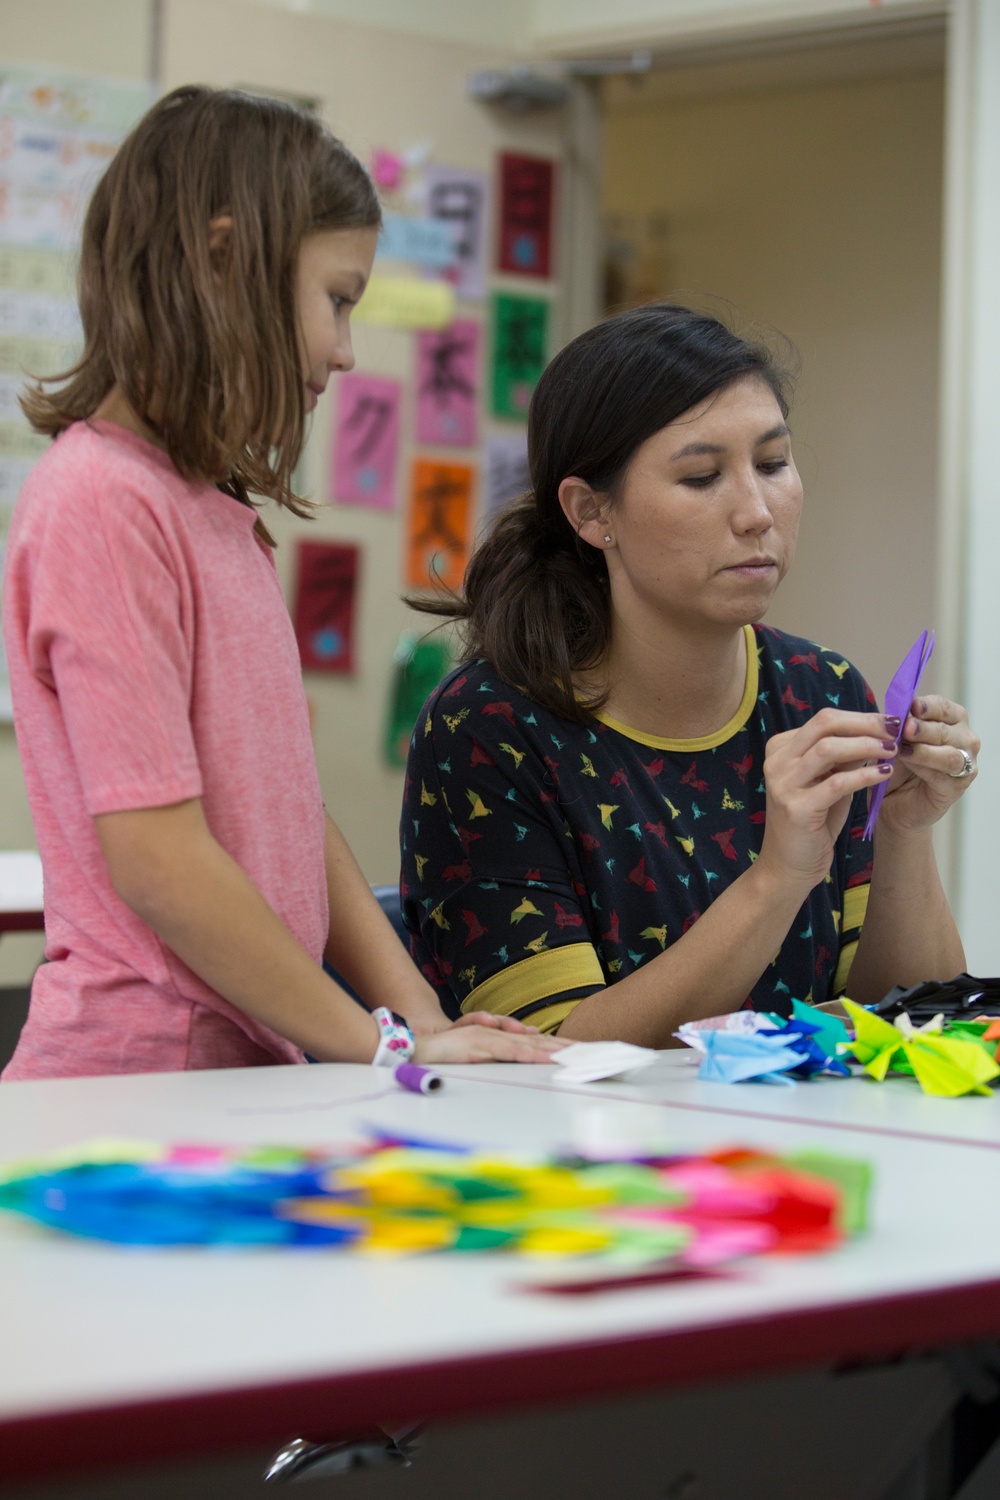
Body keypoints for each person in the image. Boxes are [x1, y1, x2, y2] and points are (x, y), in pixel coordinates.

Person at [1, 87, 562, 1080]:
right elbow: (161, 863)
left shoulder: (214, 512)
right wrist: (384, 1047)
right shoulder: (100, 500)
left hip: (240, 1064)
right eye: (338, 300)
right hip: (140, 1073)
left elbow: (291, 817)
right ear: (223, 262)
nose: (346, 350)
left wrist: (423, 1018)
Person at [401, 304, 979, 1043]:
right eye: (703, 476)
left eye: (773, 465)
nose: (757, 511)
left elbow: (908, 1017)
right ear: (589, 513)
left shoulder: (821, 691)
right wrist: (778, 878)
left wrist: (903, 827)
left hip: (791, 1153)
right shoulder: (488, 728)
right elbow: (551, 1056)